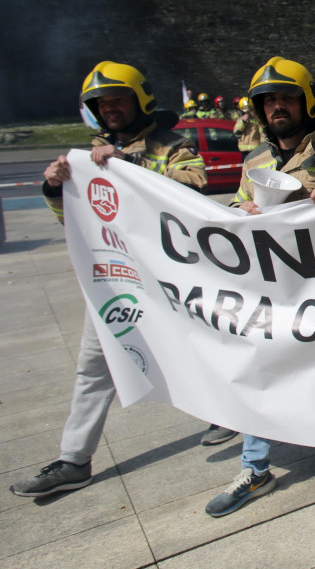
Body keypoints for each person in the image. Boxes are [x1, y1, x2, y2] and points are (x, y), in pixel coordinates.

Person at [11, 62, 214, 499]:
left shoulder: (172, 147)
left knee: (202, 347)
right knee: (93, 366)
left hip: (170, 281)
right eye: (101, 103)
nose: (109, 108)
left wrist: (129, 166)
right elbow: (73, 220)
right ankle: (74, 459)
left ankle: (226, 414)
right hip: (115, 280)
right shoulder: (89, 156)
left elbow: (194, 190)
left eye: (118, 99)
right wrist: (56, 189)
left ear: (140, 99)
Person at [206, 57, 315, 517]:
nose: (277, 106)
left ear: (307, 101)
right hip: (274, 286)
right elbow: (237, 208)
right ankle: (255, 468)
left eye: (287, 98)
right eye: (269, 100)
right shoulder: (254, 159)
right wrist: (239, 211)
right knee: (259, 366)